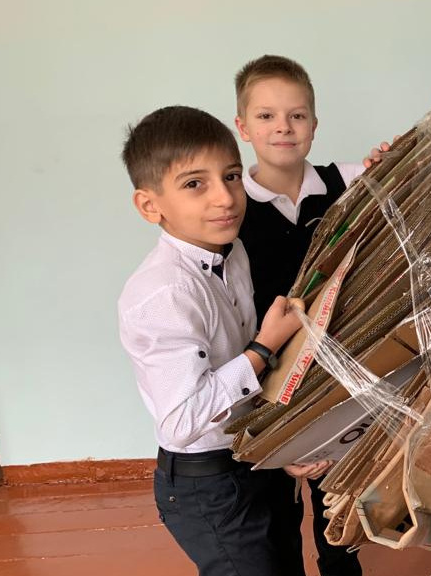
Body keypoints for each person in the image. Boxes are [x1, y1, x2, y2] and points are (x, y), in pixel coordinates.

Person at [118, 105, 306, 576]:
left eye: (232, 176)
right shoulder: (164, 293)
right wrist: (262, 349)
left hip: (252, 456)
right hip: (210, 486)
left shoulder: (232, 250)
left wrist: (280, 446)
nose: (225, 198)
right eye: (194, 184)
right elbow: (182, 422)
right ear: (150, 206)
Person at [233, 54, 390, 576]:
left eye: (296, 116)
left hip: (340, 368)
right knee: (275, 511)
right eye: (266, 116)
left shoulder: (347, 180)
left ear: (315, 125)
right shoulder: (231, 205)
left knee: (339, 501)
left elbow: (403, 192)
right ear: (242, 126)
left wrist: (392, 165)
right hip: (267, 373)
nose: (283, 127)